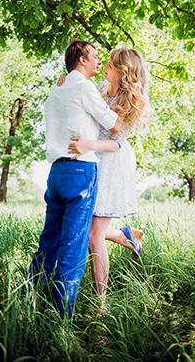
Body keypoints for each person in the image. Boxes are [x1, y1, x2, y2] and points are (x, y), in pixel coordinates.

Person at [28, 40, 122, 324]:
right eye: (94, 57)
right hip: (80, 172)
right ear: (81, 59)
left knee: (49, 242)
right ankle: (61, 324)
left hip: (56, 174)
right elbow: (115, 125)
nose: (98, 63)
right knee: (73, 247)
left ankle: (31, 302)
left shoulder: (56, 90)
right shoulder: (83, 87)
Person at [65, 46, 152, 312]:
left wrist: (89, 144)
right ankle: (127, 237)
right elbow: (80, 87)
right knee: (91, 229)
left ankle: (99, 305)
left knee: (93, 235)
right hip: (89, 159)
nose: (104, 66)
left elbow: (116, 144)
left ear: (123, 71)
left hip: (112, 164)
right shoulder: (102, 88)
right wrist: (65, 79)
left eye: (111, 65)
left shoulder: (130, 100)